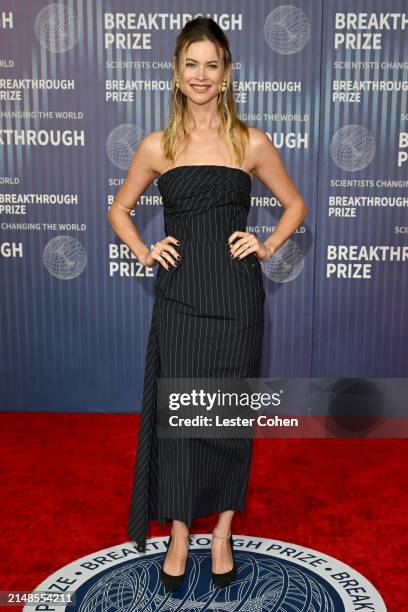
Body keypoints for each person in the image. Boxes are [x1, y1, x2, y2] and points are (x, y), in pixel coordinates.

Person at [107, 16, 307, 592]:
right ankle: (177, 531)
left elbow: (294, 205)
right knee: (181, 420)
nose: (200, 75)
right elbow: (118, 210)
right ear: (176, 72)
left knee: (224, 417)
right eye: (190, 64)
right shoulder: (157, 146)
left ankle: (220, 531)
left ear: (226, 75)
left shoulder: (251, 141)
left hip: (236, 300)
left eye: (211, 65)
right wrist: (146, 249)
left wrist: (265, 243)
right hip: (180, 300)